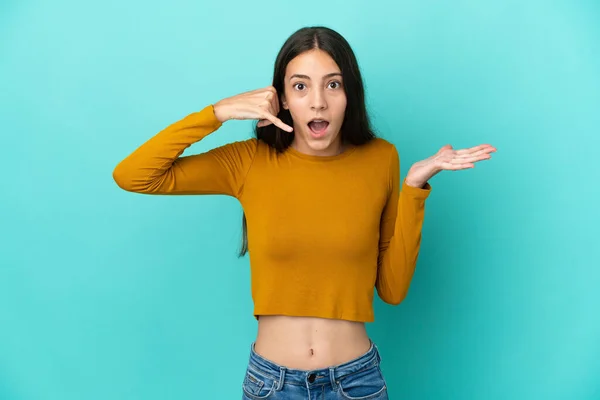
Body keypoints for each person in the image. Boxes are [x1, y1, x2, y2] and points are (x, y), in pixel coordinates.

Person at [112, 26, 495, 400]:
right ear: (280, 99)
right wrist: (218, 112)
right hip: (271, 385)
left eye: (333, 84)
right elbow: (134, 175)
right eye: (300, 86)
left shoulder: (382, 159)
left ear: (350, 94)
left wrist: (413, 189)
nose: (317, 102)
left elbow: (392, 291)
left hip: (356, 382)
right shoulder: (249, 162)